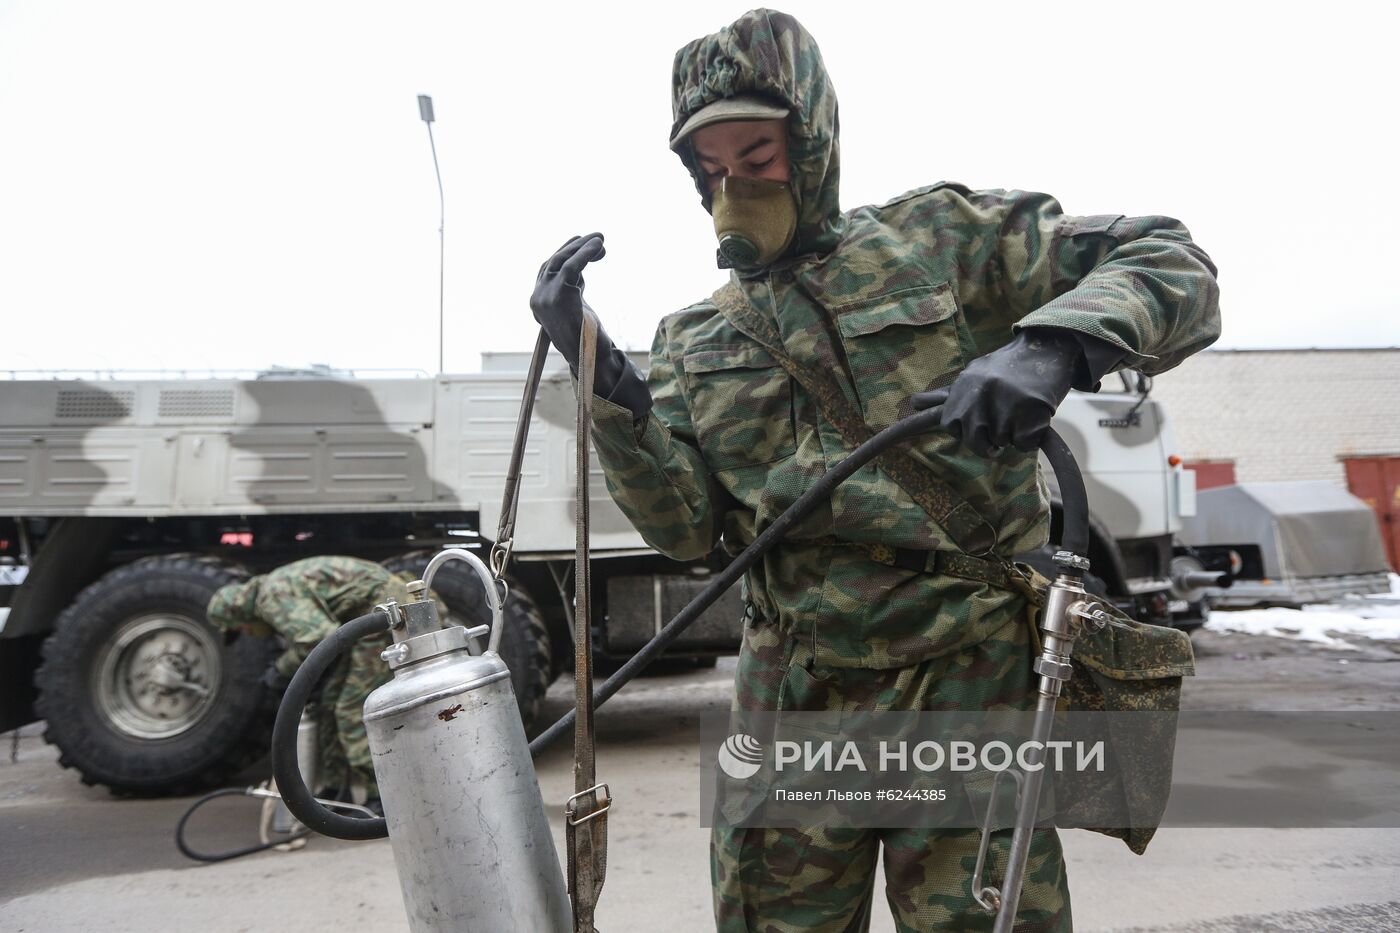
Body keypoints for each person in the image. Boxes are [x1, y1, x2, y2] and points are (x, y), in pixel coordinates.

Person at [530, 9, 1220, 931]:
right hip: (792, 692)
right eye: (711, 167)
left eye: (759, 155)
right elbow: (687, 529)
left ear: (811, 140)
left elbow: (1171, 259)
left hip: (964, 679)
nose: (734, 186)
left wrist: (1051, 349)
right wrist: (607, 378)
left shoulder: (940, 241)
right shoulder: (694, 338)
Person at [207, 555, 415, 803]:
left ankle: (383, 796)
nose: (248, 634)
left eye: (241, 629)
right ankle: (336, 789)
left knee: (350, 711)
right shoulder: (274, 589)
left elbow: (319, 639)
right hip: (367, 616)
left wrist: (281, 670)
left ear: (239, 614)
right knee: (329, 704)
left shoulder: (271, 597)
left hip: (383, 611)